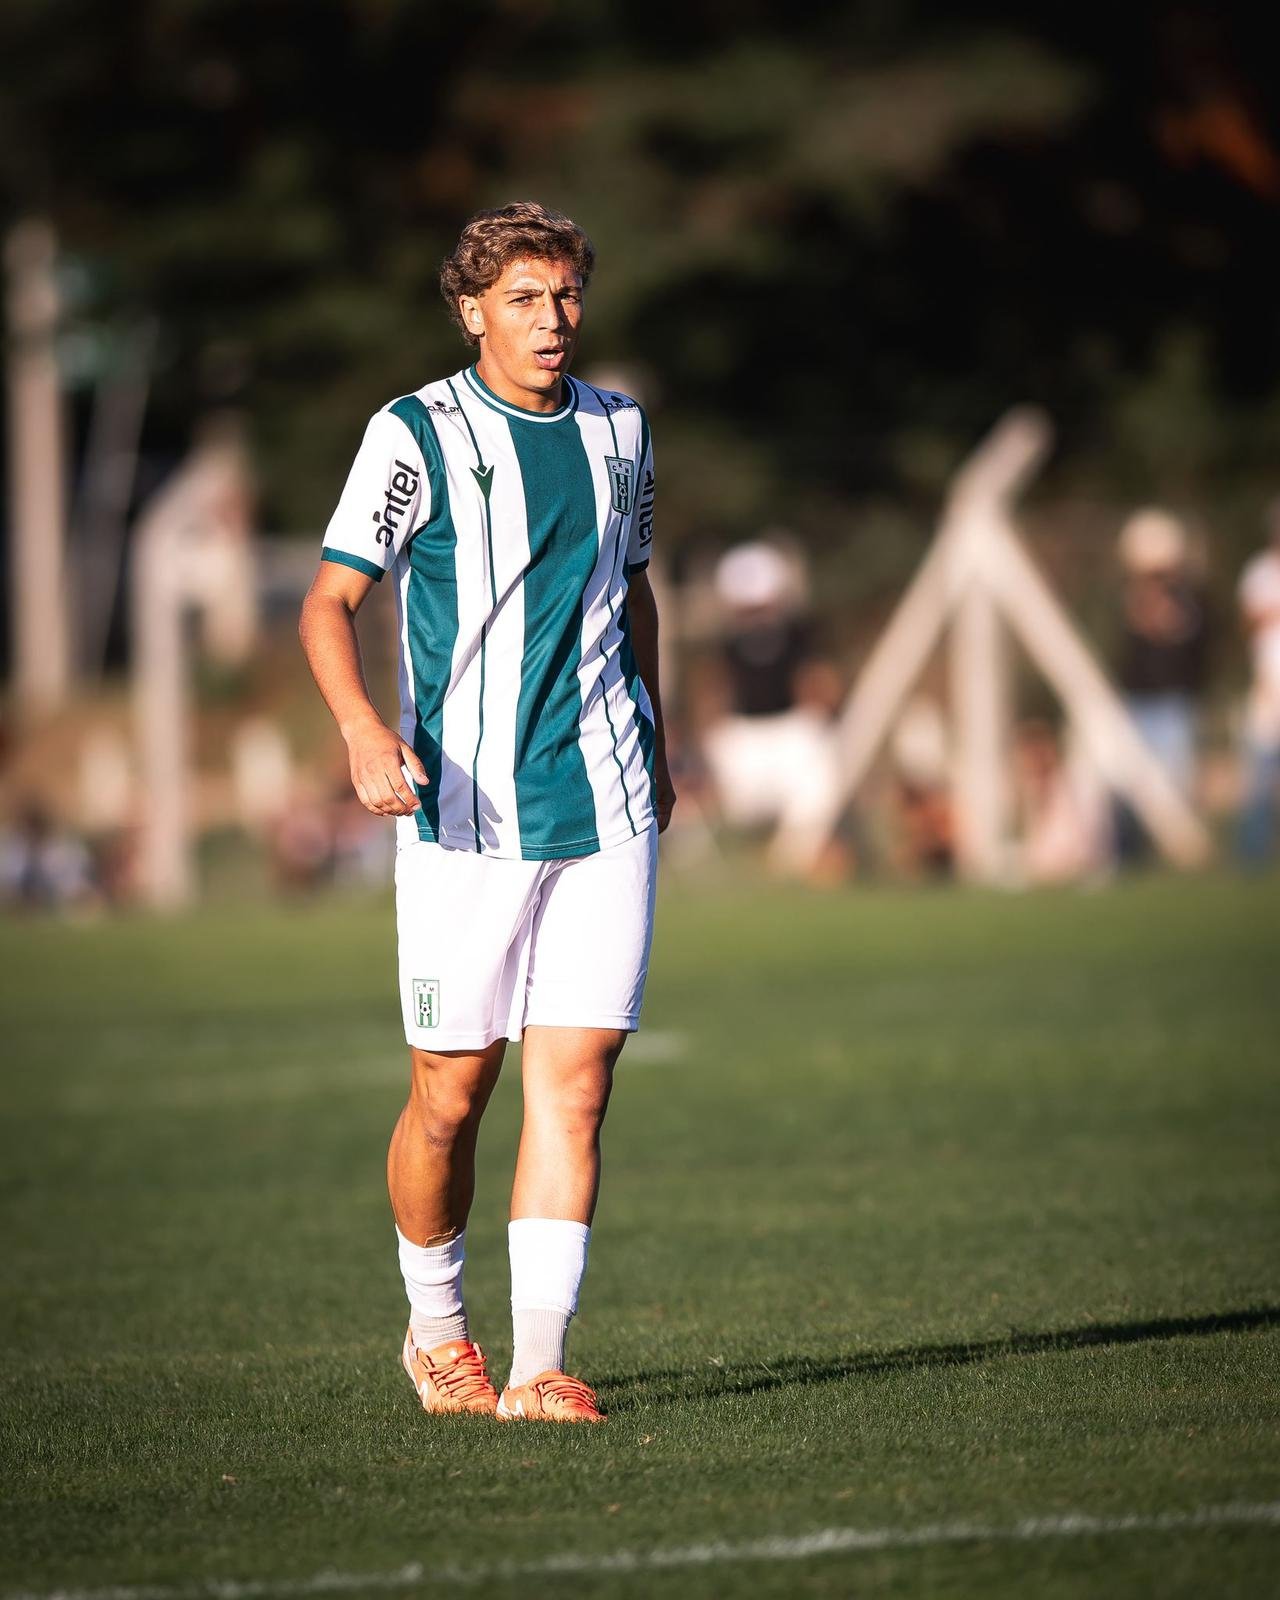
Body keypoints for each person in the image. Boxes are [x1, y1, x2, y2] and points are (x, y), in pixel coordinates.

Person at [299, 203, 675, 1424]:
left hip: (607, 798)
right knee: (451, 1093)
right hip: (461, 810)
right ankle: (435, 1329)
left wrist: (658, 736)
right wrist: (364, 731)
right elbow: (328, 602)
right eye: (522, 298)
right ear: (471, 312)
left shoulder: (621, 429)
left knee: (577, 1082)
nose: (551, 319)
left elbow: (634, 591)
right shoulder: (414, 432)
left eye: (564, 295)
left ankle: (537, 1367)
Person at [700, 540, 847, 880]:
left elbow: (818, 684)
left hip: (791, 731)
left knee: (819, 770)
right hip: (743, 737)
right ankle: (765, 854)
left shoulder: (800, 636)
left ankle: (794, 855)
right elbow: (713, 695)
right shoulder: (725, 645)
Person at [1237, 502, 1280, 863]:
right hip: (1269, 688)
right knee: (1259, 774)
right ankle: (1252, 854)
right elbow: (1249, 623)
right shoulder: (1260, 573)